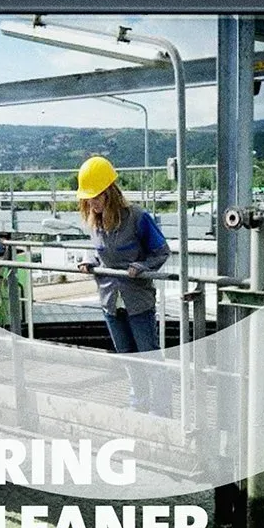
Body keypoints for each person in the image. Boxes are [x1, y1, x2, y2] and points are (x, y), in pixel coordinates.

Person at [74, 155, 170, 410]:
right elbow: (99, 252)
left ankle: (162, 411)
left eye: (97, 196)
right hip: (110, 302)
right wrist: (89, 261)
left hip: (137, 300)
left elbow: (161, 252)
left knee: (149, 357)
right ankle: (139, 405)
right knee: (127, 357)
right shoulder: (93, 222)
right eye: (88, 198)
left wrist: (143, 266)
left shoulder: (137, 217)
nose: (92, 203)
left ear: (110, 192)